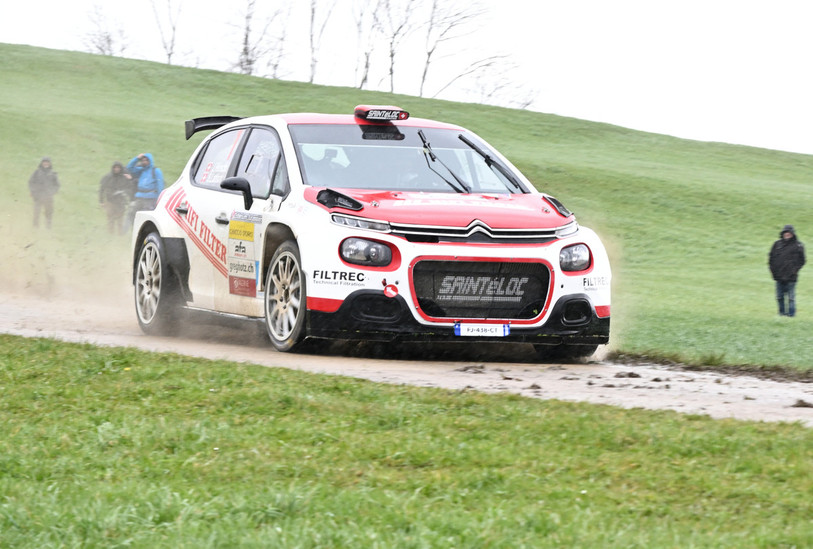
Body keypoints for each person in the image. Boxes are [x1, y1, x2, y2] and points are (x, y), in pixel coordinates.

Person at [768, 224, 806, 317]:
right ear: (783, 233)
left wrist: (794, 270)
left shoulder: (798, 245)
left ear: (792, 234)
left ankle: (791, 314)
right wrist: (773, 271)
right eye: (785, 232)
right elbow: (771, 258)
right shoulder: (777, 244)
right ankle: (781, 313)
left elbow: (802, 260)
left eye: (789, 233)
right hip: (778, 276)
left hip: (791, 276)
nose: (787, 234)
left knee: (791, 298)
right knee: (779, 297)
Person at [125, 153, 164, 227]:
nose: (144, 162)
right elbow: (129, 168)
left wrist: (159, 200)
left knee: (145, 217)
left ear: (150, 161)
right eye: (143, 160)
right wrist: (137, 158)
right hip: (140, 197)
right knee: (132, 213)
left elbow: (160, 185)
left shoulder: (156, 171)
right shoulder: (141, 170)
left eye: (146, 160)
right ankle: (134, 229)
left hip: (151, 199)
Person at [98, 161, 134, 234]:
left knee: (120, 220)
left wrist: (125, 193)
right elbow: (102, 189)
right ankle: (110, 234)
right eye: (115, 167)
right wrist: (101, 201)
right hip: (110, 202)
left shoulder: (124, 178)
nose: (116, 169)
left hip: (121, 202)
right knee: (110, 219)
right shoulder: (108, 177)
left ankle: (120, 234)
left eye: (118, 167)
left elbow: (130, 188)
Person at [28, 156, 60, 229]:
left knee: (49, 213)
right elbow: (31, 182)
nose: (46, 163)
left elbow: (57, 185)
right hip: (38, 196)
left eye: (47, 162)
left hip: (48, 197)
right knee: (36, 212)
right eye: (44, 162)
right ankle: (35, 227)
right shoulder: (36, 173)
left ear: (50, 163)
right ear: (41, 163)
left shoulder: (53, 174)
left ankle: (48, 227)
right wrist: (33, 191)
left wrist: (52, 192)